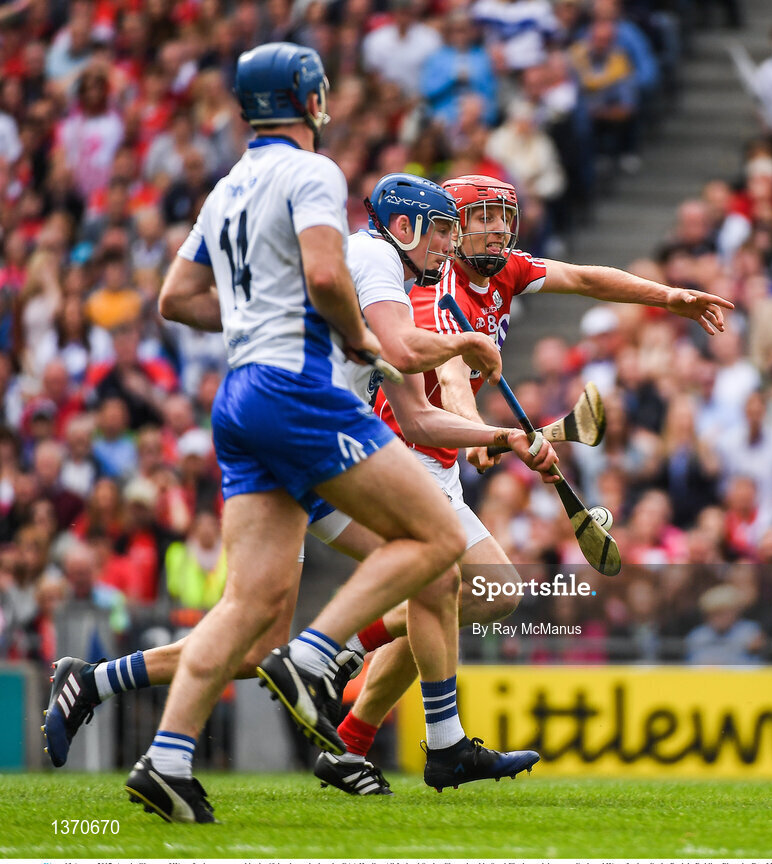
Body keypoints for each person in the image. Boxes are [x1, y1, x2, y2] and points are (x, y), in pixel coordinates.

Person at [53, 43, 539, 825]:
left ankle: (159, 749)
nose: (449, 245)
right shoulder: (320, 183)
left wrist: (266, 317)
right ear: (309, 100)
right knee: (438, 544)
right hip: (298, 396)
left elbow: (176, 299)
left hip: (240, 397)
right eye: (440, 231)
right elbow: (334, 287)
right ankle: (323, 663)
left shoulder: (226, 188)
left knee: (254, 620)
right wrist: (352, 332)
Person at [331, 173, 734, 792]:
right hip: (403, 456)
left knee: (465, 599)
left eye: (502, 217)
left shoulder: (507, 273)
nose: (497, 229)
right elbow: (456, 380)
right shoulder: (432, 291)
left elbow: (586, 278)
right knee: (469, 593)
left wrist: (668, 297)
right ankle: (344, 647)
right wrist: (487, 436)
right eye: (482, 219)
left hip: (438, 462)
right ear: (449, 229)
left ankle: (349, 738)